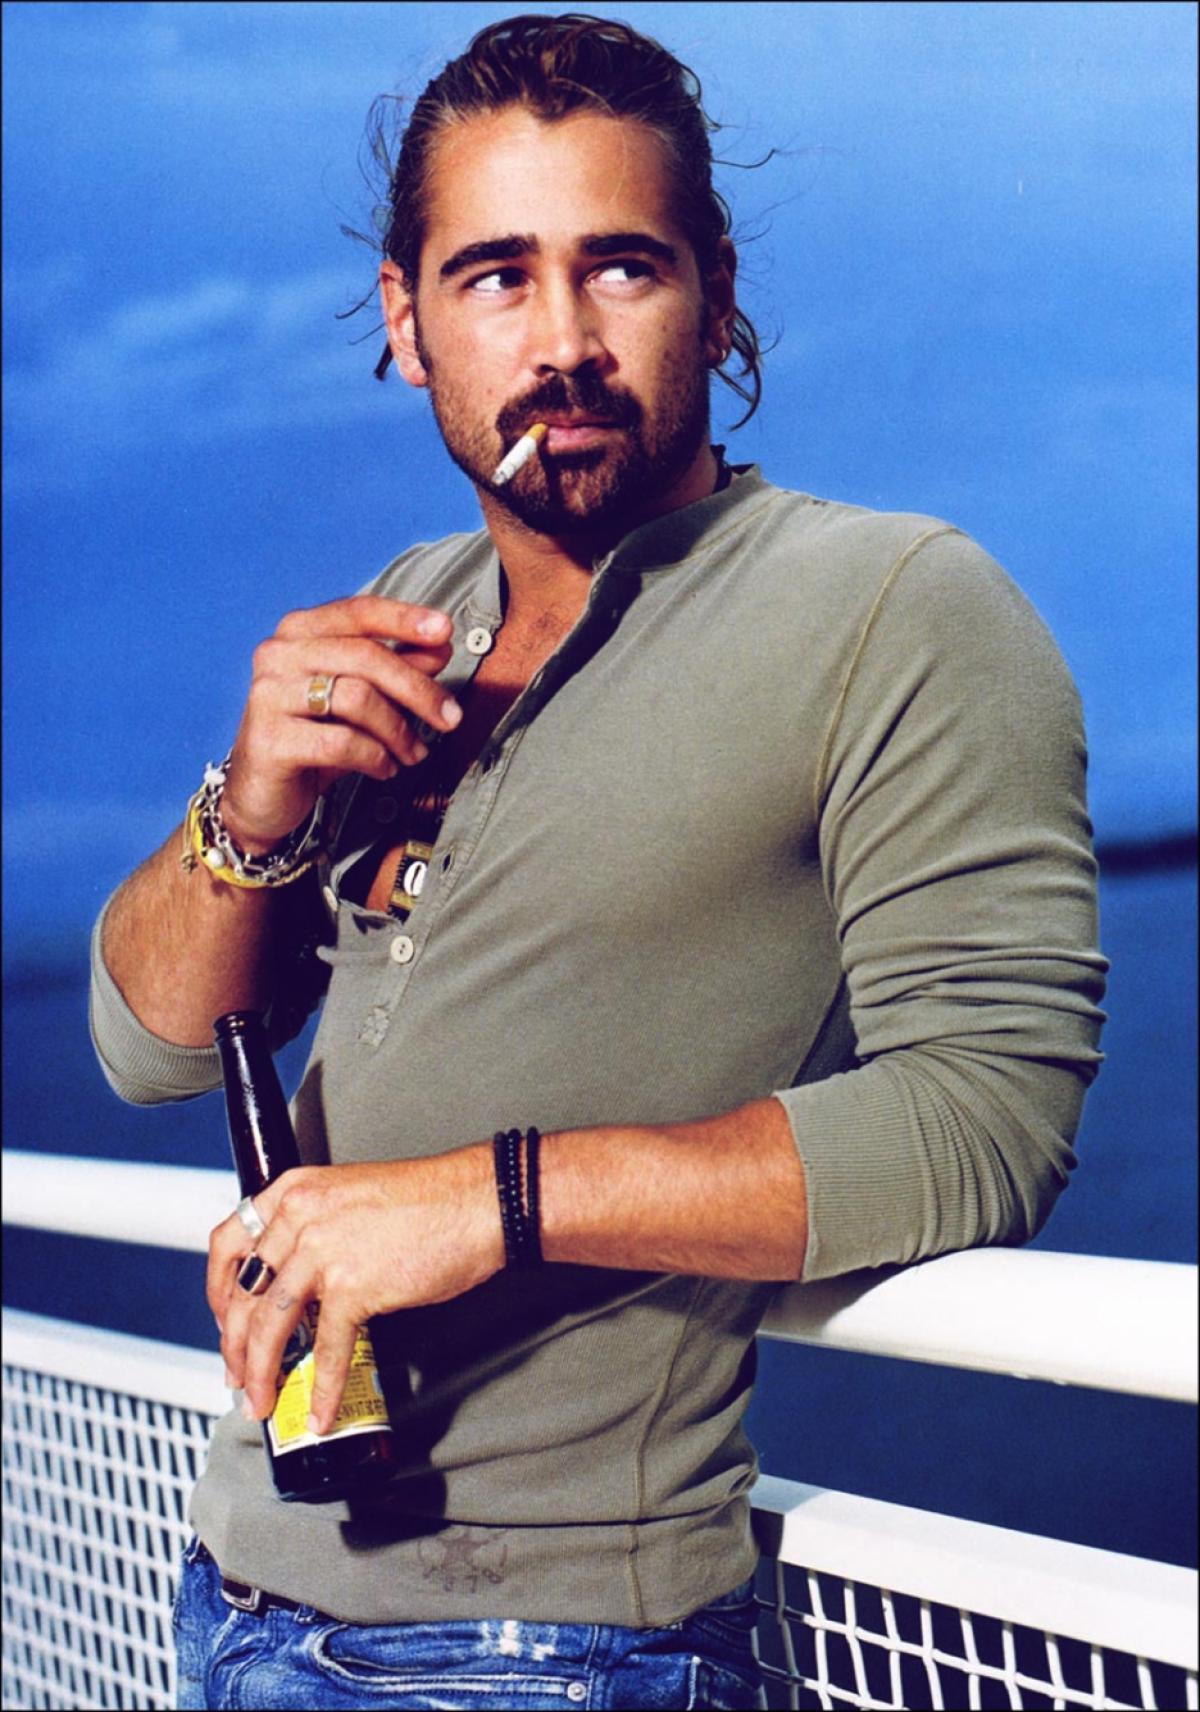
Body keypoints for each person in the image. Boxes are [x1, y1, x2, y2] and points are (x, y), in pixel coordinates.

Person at [89, 12, 1108, 1710]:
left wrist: (484, 1203)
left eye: (619, 267)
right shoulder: (412, 608)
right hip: (235, 1599)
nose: (562, 343)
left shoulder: (893, 604)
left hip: (550, 1647)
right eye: (495, 276)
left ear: (714, 291)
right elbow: (149, 1050)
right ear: (407, 322)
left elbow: (988, 1117)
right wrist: (246, 816)